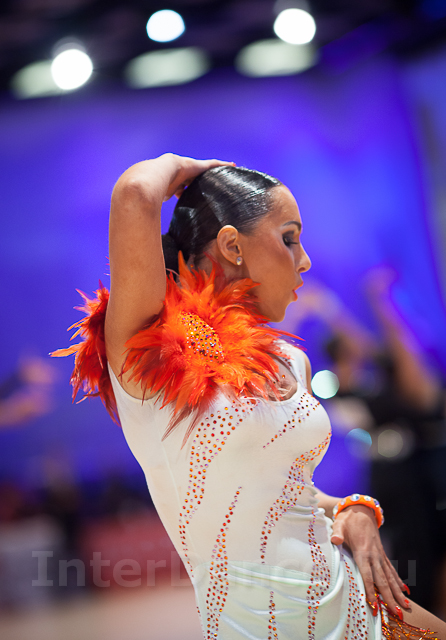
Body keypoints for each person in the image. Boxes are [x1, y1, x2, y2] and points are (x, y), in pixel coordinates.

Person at [53, 154, 446, 639]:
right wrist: (189, 166)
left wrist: (351, 508)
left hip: (357, 605)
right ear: (232, 246)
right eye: (289, 238)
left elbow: (285, 496)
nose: (304, 259)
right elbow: (136, 192)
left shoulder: (290, 360)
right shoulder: (151, 354)